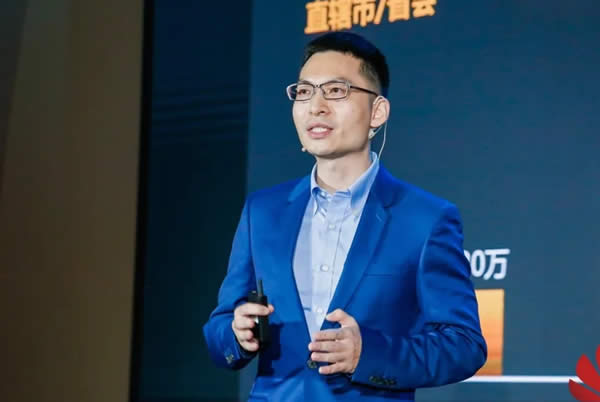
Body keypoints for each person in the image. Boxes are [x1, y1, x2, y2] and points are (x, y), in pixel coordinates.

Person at [203, 32, 486, 401]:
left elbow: (463, 344)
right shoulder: (263, 211)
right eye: (304, 92)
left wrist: (369, 353)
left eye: (336, 91)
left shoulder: (426, 218)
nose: (315, 106)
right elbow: (220, 330)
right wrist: (236, 334)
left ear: (377, 112)